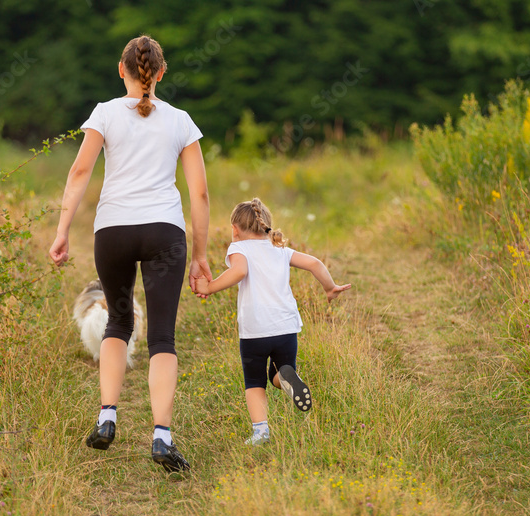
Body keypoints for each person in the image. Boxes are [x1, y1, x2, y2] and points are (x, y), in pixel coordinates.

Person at [49, 34, 212, 472]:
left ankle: (106, 417)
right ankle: (162, 437)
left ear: (121, 70)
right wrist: (200, 256)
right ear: (160, 74)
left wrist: (62, 230)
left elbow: (80, 170)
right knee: (161, 337)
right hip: (164, 232)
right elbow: (198, 192)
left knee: (118, 322)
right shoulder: (180, 120)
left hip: (114, 232)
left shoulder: (104, 113)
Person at [194, 198, 351, 444]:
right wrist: (330, 287)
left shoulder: (239, 249)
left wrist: (211, 287)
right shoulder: (280, 250)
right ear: (266, 226)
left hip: (255, 330)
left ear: (235, 229)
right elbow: (314, 263)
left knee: (255, 381)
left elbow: (239, 272)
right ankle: (287, 377)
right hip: (285, 327)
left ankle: (261, 432)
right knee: (278, 373)